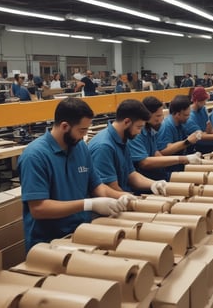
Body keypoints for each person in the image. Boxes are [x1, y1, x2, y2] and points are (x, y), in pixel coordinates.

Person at [18, 98, 131, 252]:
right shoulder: (35, 156)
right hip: (48, 243)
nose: (84, 136)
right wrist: (89, 204)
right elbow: (39, 208)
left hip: (81, 233)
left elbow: (97, 186)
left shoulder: (80, 148)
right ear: (65, 126)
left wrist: (120, 196)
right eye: (82, 130)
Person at [88, 99, 168, 195]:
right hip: (113, 201)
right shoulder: (104, 147)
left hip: (123, 194)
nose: (139, 132)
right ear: (126, 122)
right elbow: (110, 188)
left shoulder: (123, 139)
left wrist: (153, 184)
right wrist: (136, 201)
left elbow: (131, 175)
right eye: (138, 127)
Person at [128, 96, 202, 180]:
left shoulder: (152, 130)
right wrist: (183, 156)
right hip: (145, 178)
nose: (160, 120)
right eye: (157, 116)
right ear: (146, 115)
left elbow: (156, 154)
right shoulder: (136, 134)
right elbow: (144, 163)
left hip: (158, 173)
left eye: (161, 116)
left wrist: (187, 159)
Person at [156, 95, 203, 177]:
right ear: (177, 114)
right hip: (169, 171)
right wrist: (187, 142)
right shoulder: (167, 126)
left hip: (179, 166)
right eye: (186, 115)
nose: (188, 118)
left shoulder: (181, 124)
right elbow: (163, 151)